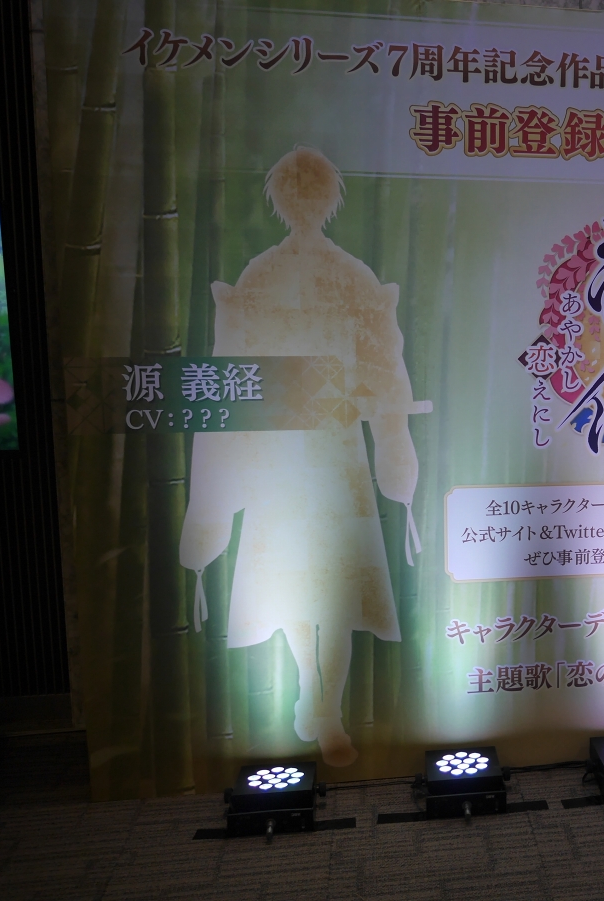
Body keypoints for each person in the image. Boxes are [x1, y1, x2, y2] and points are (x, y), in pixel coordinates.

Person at [180, 147, 429, 766]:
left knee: (334, 581)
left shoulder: (332, 276)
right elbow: (236, 373)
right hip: (285, 451)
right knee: (295, 576)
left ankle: (326, 706)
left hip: (333, 448)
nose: (304, 202)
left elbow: (382, 366)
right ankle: (313, 690)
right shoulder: (273, 276)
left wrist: (392, 437)